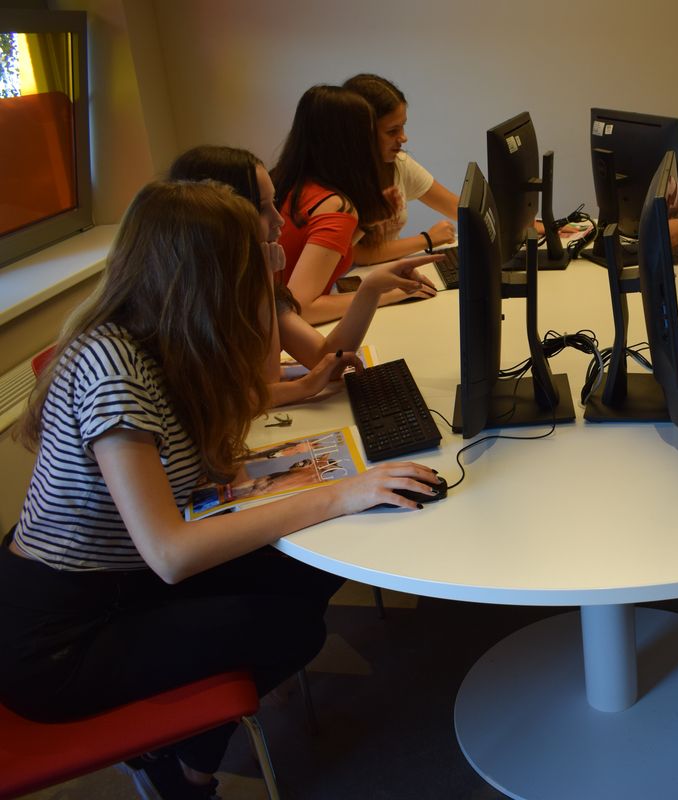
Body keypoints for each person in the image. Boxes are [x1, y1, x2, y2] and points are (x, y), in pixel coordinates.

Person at [0, 181, 444, 799]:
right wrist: (342, 492)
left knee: (309, 569)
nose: (273, 263)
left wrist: (309, 432)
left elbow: (223, 416)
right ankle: (182, 771)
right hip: (63, 637)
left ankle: (187, 734)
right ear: (205, 275)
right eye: (258, 256)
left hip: (123, 584)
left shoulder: (160, 339)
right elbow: (171, 554)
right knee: (293, 628)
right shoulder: (111, 369)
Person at [169, 145, 437, 408]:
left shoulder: (244, 278)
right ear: (216, 216)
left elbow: (324, 359)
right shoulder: (189, 304)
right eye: (262, 208)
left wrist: (372, 289)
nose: (279, 220)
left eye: (274, 203)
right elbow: (267, 378)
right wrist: (265, 279)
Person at [273, 85, 437, 325]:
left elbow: (321, 262)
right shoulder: (336, 208)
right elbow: (301, 309)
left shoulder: (291, 182)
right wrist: (387, 293)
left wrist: (366, 225)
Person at [342, 73, 460, 265]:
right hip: (354, 279)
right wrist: (427, 239)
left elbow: (456, 207)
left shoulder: (398, 163)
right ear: (362, 134)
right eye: (392, 131)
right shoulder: (338, 180)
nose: (404, 138)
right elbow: (358, 255)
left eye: (402, 126)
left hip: (386, 271)